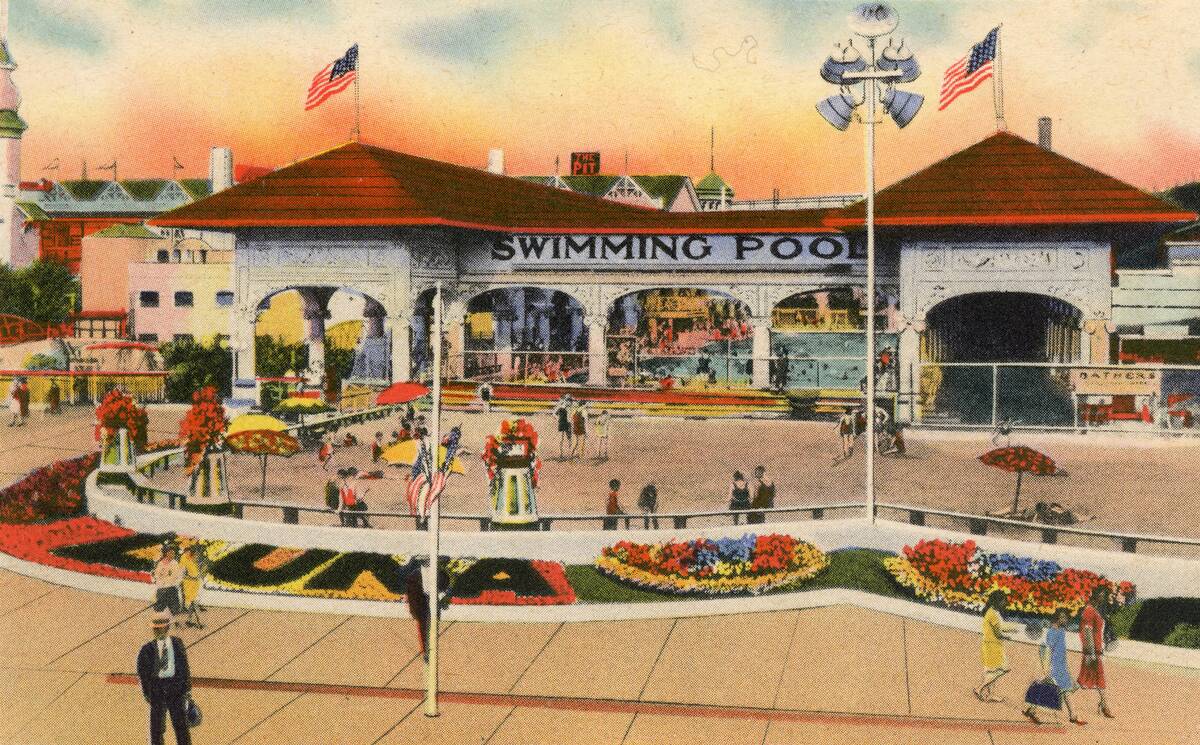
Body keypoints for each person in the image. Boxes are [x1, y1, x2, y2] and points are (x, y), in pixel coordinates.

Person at [137, 610, 193, 745]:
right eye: (155, 629)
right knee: (156, 728)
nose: (158, 631)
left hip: (175, 689)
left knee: (181, 726)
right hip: (157, 690)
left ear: (167, 628)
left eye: (160, 628)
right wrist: (148, 693)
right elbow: (143, 673)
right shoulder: (147, 649)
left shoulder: (177, 644)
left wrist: (185, 689)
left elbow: (184, 666)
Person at [1024, 608, 1087, 726]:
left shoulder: (1061, 631)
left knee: (1064, 690)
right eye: (1065, 618)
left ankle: (1073, 715)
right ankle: (1032, 711)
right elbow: (1047, 650)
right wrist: (1047, 669)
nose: (1067, 620)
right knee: (1054, 689)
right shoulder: (1052, 632)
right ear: (1059, 618)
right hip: (1054, 667)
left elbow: (1060, 650)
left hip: (1061, 665)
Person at [974, 590, 1020, 703]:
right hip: (992, 646)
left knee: (993, 671)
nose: (1005, 603)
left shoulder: (994, 612)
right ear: (997, 601)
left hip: (993, 645)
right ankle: (979, 688)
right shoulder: (992, 614)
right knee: (1003, 668)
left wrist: (1014, 627)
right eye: (1003, 601)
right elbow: (998, 633)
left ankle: (990, 694)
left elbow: (1002, 626)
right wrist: (1008, 636)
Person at [1079, 586, 1116, 718]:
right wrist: (1091, 653)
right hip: (1092, 652)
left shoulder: (1095, 610)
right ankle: (1104, 705)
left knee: (1095, 679)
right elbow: (1087, 632)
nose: (1104, 598)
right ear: (1097, 596)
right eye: (1103, 596)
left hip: (1096, 651)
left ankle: (1104, 705)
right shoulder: (1089, 610)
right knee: (1082, 682)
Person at [405, 562, 451, 663]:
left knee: (433, 623)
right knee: (423, 625)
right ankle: (426, 652)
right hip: (420, 601)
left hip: (433, 598)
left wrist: (441, 596)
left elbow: (446, 586)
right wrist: (415, 611)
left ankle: (429, 649)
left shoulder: (441, 574)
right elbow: (412, 596)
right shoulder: (414, 576)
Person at [152, 543, 184, 621]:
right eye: (170, 553)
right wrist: (160, 582)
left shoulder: (174, 563)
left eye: (173, 553)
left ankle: (173, 621)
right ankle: (159, 620)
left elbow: (178, 576)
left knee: (173, 607)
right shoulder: (160, 563)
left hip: (171, 588)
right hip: (162, 588)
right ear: (166, 553)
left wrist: (173, 583)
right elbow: (157, 575)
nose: (172, 555)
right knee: (160, 606)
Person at [179, 543, 205, 629]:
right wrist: (193, 577)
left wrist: (196, 577)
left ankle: (189, 620)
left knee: (192, 603)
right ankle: (200, 622)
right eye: (194, 555)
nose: (196, 557)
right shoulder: (184, 561)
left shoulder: (191, 561)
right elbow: (182, 575)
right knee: (195, 603)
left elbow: (195, 573)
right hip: (189, 585)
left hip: (195, 585)